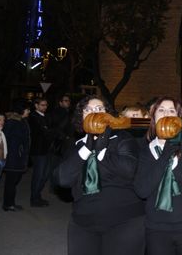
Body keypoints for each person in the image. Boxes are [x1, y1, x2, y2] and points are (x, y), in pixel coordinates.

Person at [55, 95, 145, 255]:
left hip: (124, 221)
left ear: (108, 115)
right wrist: (87, 148)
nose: (94, 113)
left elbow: (131, 170)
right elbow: (63, 179)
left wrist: (102, 152)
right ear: (81, 117)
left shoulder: (122, 139)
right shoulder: (77, 146)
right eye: (87, 110)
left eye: (99, 109)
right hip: (83, 222)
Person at [134, 96, 182, 255]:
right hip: (157, 229)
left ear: (178, 117)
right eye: (161, 110)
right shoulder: (146, 150)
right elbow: (142, 190)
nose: (166, 114)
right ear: (154, 117)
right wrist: (165, 153)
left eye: (171, 111)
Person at [1, 100, 31, 212]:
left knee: (14, 181)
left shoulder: (22, 121)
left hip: (18, 157)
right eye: (27, 109)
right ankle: (8, 204)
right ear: (21, 110)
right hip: (13, 157)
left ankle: (10, 203)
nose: (29, 111)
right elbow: (5, 139)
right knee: (11, 182)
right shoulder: (12, 122)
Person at [29, 97, 54, 207]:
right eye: (42, 105)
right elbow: (43, 132)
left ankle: (37, 195)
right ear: (36, 105)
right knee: (38, 175)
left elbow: (51, 130)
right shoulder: (33, 117)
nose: (45, 107)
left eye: (46, 105)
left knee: (45, 174)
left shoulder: (46, 117)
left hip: (47, 150)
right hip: (38, 151)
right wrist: (49, 131)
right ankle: (34, 199)